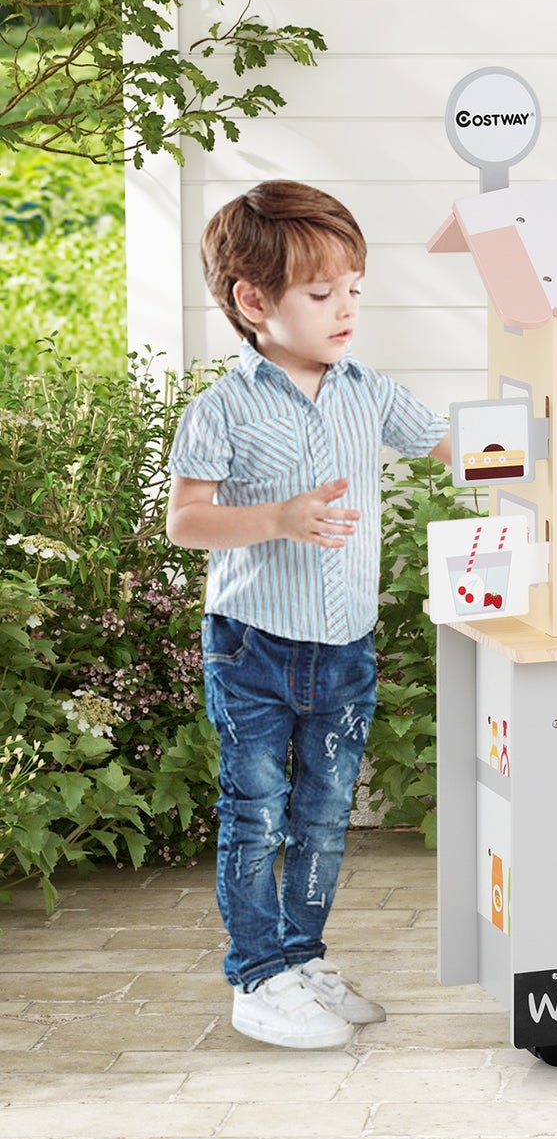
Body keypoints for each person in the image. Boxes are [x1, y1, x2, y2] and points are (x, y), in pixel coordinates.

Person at [166, 181, 451, 1049]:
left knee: (325, 814)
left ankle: (301, 957)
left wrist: (552, 464)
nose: (346, 309)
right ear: (254, 301)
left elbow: (463, 448)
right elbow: (184, 521)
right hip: (252, 645)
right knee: (256, 812)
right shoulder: (222, 407)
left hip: (344, 650)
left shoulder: (369, 392)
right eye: (322, 294)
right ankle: (258, 977)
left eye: (354, 289)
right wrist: (278, 519)